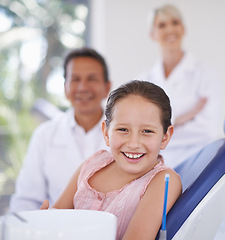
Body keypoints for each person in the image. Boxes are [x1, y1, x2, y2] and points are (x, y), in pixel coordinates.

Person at [40, 80, 182, 240]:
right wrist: (44, 223)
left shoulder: (163, 181)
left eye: (147, 131)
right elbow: (57, 215)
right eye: (123, 129)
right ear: (106, 133)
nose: (134, 143)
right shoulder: (91, 165)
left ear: (165, 137)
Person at [10, 48, 111, 211]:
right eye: (75, 79)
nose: (83, 87)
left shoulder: (124, 134)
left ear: (107, 87)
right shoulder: (44, 135)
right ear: (65, 87)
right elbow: (26, 200)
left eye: (92, 79)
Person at [138, 4, 222, 168]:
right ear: (152, 35)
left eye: (175, 23)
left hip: (195, 165)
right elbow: (137, 131)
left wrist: (156, 129)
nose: (170, 29)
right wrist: (180, 119)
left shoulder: (206, 74)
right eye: (162, 25)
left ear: (183, 29)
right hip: (152, 168)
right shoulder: (142, 82)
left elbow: (206, 131)